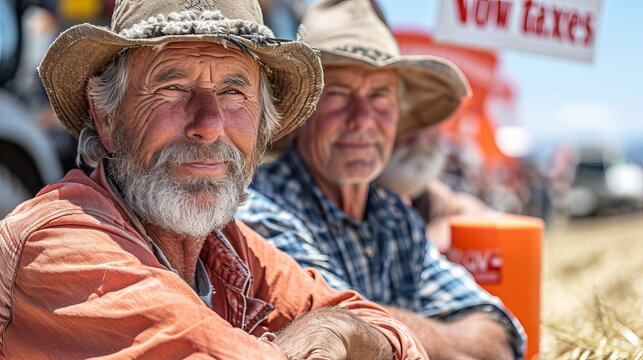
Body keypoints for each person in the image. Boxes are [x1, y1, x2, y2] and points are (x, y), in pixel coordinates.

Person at [0, 0, 428, 358]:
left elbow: (395, 338)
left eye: (233, 92)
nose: (209, 123)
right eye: (172, 86)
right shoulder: (62, 243)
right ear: (106, 115)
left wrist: (341, 330)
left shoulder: (226, 246)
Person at [237, 0, 526, 359]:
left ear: (397, 117)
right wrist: (444, 337)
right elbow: (338, 332)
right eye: (339, 94)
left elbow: (501, 334)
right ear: (301, 114)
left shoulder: (393, 216)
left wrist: (371, 330)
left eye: (379, 95)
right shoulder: (259, 213)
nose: (362, 119)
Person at [377, 126, 498, 252]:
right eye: (410, 131)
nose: (421, 140)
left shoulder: (424, 190)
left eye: (431, 129)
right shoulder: (368, 194)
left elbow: (470, 209)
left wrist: (439, 232)